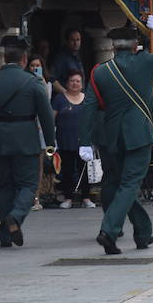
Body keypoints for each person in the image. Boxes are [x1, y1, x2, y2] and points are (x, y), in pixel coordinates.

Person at [81, 18, 153, 254]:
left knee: (121, 186)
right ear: (135, 46)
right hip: (139, 134)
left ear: (112, 47)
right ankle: (108, 231)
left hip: (111, 136)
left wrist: (84, 141)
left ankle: (143, 232)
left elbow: (89, 106)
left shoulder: (100, 71)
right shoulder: (146, 62)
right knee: (129, 185)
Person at [0, 36, 56, 247]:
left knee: (5, 187)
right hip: (25, 139)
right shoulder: (32, 81)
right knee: (29, 185)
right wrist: (50, 142)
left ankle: (5, 236)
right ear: (24, 59)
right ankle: (16, 216)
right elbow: (46, 115)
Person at [52, 71, 90, 208]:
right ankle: (68, 198)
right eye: (72, 81)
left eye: (78, 81)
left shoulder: (87, 99)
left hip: (83, 141)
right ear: (67, 83)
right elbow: (52, 119)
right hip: (65, 140)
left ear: (82, 84)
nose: (75, 84)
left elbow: (92, 120)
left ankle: (86, 197)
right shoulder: (59, 99)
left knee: (84, 170)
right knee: (67, 170)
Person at [51, 28, 84, 95]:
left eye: (78, 40)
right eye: (72, 40)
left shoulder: (78, 56)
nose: (76, 43)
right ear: (67, 41)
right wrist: (67, 95)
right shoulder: (61, 58)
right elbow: (52, 79)